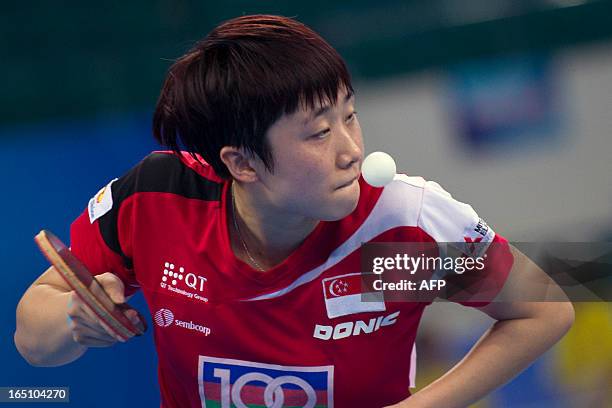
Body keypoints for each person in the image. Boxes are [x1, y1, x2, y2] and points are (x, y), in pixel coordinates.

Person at [15, 14, 574, 408]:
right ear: (243, 163)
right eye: (318, 133)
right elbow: (32, 341)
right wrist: (74, 322)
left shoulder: (397, 231)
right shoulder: (158, 202)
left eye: (349, 116)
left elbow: (542, 311)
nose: (351, 149)